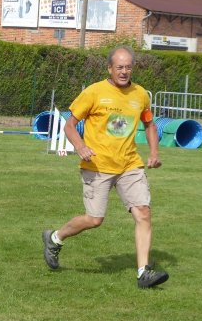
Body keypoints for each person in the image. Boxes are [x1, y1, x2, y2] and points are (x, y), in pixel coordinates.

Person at [42, 46, 169, 289]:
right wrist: (80, 147)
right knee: (94, 219)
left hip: (130, 164)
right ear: (109, 68)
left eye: (128, 67)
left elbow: (150, 125)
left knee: (143, 211)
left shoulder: (141, 94)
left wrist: (154, 153)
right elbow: (69, 125)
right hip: (97, 165)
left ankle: (144, 272)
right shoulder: (94, 92)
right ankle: (55, 238)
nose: (124, 71)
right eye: (119, 67)